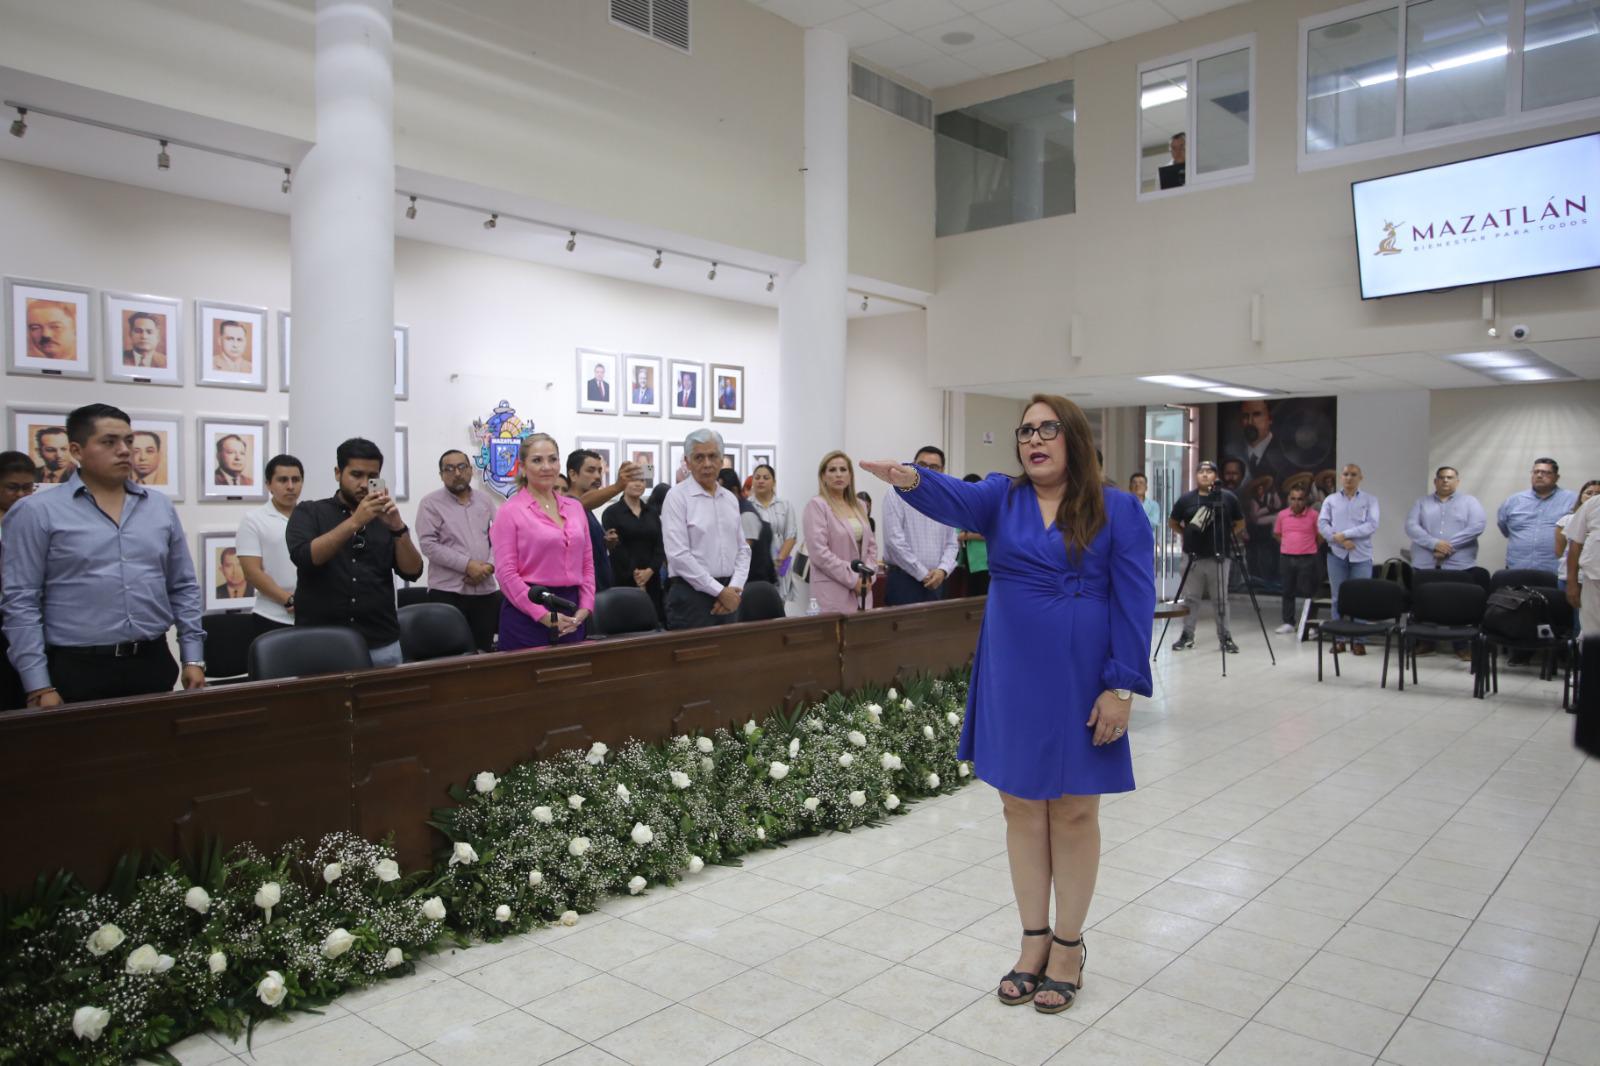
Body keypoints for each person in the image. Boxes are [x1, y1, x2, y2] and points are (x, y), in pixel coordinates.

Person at [860, 394, 1155, 1016]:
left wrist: (1121, 686)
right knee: (1020, 805)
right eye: (1025, 430)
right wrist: (908, 477)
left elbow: (1135, 601)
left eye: (1048, 428)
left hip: (1084, 678)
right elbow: (950, 499)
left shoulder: (1118, 509)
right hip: (1012, 673)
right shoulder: (1002, 497)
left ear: (1073, 436)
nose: (1034, 439)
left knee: (1074, 809)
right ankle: (1032, 941)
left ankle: (1069, 946)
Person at [1, 403, 206, 706]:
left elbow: (183, 585)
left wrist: (193, 658)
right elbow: (21, 601)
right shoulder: (36, 512)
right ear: (77, 450)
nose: (125, 451)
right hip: (77, 668)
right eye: (109, 442)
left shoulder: (160, 507)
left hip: (152, 662)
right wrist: (38, 686)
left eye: (128, 441)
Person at [286, 437, 423, 667]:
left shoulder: (384, 519)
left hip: (381, 642)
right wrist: (355, 521)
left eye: (372, 477)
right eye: (356, 475)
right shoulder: (310, 512)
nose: (363, 483)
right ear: (338, 473)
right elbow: (306, 558)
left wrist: (398, 527)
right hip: (321, 644)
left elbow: (413, 571)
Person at [492, 434, 595, 650]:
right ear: (522, 467)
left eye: (552, 459)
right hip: (527, 614)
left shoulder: (575, 508)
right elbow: (506, 574)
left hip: (571, 613)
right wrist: (544, 615)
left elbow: (587, 564)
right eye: (537, 460)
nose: (546, 467)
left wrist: (585, 607)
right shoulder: (509, 512)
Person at [660, 429, 750, 630]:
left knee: (730, 659)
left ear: (721, 460)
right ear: (687, 462)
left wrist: (734, 589)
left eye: (712, 456)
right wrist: (719, 591)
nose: (707, 463)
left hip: (729, 595)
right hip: (691, 597)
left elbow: (743, 550)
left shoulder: (730, 499)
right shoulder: (676, 497)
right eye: (699, 457)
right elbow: (678, 556)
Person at [416, 449, 502, 652]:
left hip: (486, 591)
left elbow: (499, 538)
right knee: (449, 655)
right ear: (441, 475)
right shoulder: (430, 503)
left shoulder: (485, 500)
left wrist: (489, 567)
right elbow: (428, 544)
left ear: (471, 470)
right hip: (448, 592)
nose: (457, 473)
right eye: (450, 468)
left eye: (462, 467)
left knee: (483, 651)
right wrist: (467, 565)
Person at [1168, 460, 1244, 653]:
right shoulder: (1186, 499)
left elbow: (1240, 522)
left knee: (1220, 599)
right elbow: (1173, 522)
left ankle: (1225, 637)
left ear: (1216, 476)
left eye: (1209, 472)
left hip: (1219, 557)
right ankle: (1187, 636)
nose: (1204, 475)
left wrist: (1226, 536)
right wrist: (1187, 534)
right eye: (1200, 471)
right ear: (1196, 476)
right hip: (1192, 557)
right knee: (1191, 599)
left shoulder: (1227, 498)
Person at [882, 445, 960, 606]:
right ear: (913, 465)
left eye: (934, 467)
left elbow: (953, 543)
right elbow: (894, 541)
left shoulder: (947, 499)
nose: (927, 470)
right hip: (904, 581)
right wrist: (922, 573)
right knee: (903, 631)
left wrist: (942, 570)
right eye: (922, 465)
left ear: (942, 470)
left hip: (938, 582)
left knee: (938, 631)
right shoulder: (896, 492)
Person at [802, 451, 878, 613]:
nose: (838, 475)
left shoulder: (860, 505)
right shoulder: (817, 505)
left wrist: (868, 577)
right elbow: (819, 554)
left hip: (863, 590)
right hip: (832, 590)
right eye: (832, 470)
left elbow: (871, 547)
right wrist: (853, 579)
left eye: (843, 470)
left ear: (850, 475)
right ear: (823, 476)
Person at [236, 454, 303, 637]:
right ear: (269, 484)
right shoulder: (253, 520)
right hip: (272, 617)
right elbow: (252, 572)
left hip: (311, 616)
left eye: (296, 480)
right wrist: (288, 600)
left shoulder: (310, 515)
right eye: (282, 480)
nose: (290, 486)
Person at [1317, 464, 1379, 655]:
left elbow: (1372, 525)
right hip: (1337, 554)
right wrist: (1338, 540)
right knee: (1337, 597)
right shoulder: (1331, 500)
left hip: (1361, 555)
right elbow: (1322, 523)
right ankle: (1339, 639)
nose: (1349, 478)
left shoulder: (1370, 500)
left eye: (1353, 475)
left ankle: (1359, 640)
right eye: (1345, 474)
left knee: (1361, 598)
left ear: (1361, 477)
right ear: (1340, 478)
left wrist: (1344, 534)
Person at [569, 450, 642, 594]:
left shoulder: (588, 510)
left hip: (600, 588)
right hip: (583, 594)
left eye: (599, 470)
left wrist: (605, 542)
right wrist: (618, 486)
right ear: (573, 475)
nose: (597, 476)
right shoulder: (569, 504)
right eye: (590, 470)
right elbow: (580, 503)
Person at [0, 451, 39, 709]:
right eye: (12, 488)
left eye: (28, 488)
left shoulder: (36, 520)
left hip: (29, 626)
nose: (21, 495)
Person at [603, 469, 667, 621]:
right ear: (623, 482)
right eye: (633, 480)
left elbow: (660, 545)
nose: (638, 484)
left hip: (652, 579)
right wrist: (637, 575)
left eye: (642, 480)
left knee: (653, 623)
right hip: (623, 578)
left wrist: (650, 571)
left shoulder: (651, 512)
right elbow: (617, 547)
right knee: (625, 624)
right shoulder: (611, 513)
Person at [1498, 458, 1578, 573]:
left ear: (1557, 477)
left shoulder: (1572, 500)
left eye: (1546, 472)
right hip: (1517, 569)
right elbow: (1504, 527)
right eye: (1536, 472)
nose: (1539, 475)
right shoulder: (1513, 501)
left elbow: (1579, 533)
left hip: (1556, 571)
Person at [1405, 467, 1487, 576]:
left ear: (1457, 482)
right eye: (1441, 477)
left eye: (1450, 477)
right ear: (1435, 481)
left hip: (1459, 565)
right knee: (1424, 593)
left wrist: (1446, 548)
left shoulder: (1470, 502)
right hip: (1424, 565)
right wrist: (1434, 544)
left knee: (1457, 593)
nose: (1445, 480)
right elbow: (1411, 526)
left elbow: (1477, 526)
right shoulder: (1422, 502)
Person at [1272, 485, 1321, 635]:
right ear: (1288, 499)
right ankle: (1288, 622)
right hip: (1287, 557)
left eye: (1300, 499)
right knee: (1287, 591)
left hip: (1308, 558)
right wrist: (1289, 545)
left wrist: (1307, 546)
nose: (1296, 502)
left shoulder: (1314, 515)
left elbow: (1320, 536)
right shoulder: (1282, 515)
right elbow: (1277, 534)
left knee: (1308, 592)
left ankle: (1310, 624)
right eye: (1293, 499)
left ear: (1305, 500)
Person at [719, 468, 776, 585]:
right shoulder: (736, 510)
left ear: (734, 491)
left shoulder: (747, 514)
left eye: (720, 494)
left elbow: (743, 557)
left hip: (753, 584)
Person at [748, 464, 797, 601]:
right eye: (757, 477)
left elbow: (791, 535)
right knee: (756, 603)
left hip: (782, 560)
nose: (761, 481)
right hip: (756, 564)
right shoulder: (747, 506)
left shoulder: (785, 505)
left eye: (766, 478)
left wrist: (779, 560)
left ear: (774, 482)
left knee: (779, 603)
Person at [1565, 491, 1600, 636]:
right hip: (1594, 582)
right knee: (1591, 633)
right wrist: (1572, 582)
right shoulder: (1594, 503)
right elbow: (1575, 543)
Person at [1556, 480, 1600, 581]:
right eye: (1589, 493)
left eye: (1597, 494)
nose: (1592, 497)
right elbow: (1559, 551)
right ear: (1581, 496)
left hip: (1593, 576)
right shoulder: (1566, 520)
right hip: (1569, 577)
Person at [957, 473, 991, 598]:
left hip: (984, 563)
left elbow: (991, 533)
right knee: (971, 599)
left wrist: (967, 536)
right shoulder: (963, 508)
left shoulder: (987, 508)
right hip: (968, 563)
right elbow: (957, 533)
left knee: (983, 598)